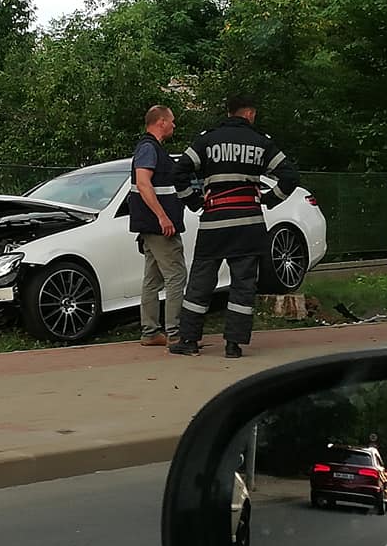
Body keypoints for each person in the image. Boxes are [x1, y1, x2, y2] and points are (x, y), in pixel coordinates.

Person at [169, 95, 299, 358]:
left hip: (214, 223)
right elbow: (289, 175)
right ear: (249, 114)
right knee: (243, 284)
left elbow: (178, 172)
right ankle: (233, 345)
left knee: (200, 284)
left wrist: (195, 202)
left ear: (229, 112)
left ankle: (189, 341)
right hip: (248, 225)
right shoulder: (261, 142)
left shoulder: (207, 140)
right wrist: (269, 199)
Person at [128, 105, 188, 347]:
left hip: (150, 227)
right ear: (161, 121)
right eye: (172, 121)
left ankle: (151, 332)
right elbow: (143, 183)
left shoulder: (151, 149)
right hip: (159, 227)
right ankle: (176, 334)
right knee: (176, 275)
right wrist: (163, 217)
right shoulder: (148, 149)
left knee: (152, 279)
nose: (174, 125)